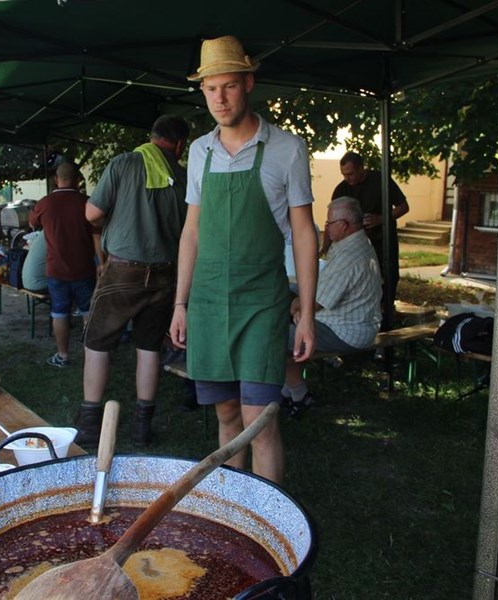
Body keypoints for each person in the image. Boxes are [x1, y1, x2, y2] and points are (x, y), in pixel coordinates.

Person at [169, 35, 319, 484]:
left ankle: (268, 517)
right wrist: (180, 303)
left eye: (229, 86)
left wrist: (306, 313)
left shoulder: (287, 148)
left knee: (260, 422)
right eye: (211, 88)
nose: (220, 98)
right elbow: (192, 231)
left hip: (261, 303)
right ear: (203, 90)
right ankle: (234, 512)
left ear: (249, 83)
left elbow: (304, 232)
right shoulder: (200, 150)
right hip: (209, 302)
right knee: (227, 415)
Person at [76, 114, 190, 448]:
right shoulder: (183, 177)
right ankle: (142, 428)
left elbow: (92, 214)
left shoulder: (124, 163)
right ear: (179, 145)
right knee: (149, 347)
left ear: (152, 137)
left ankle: (89, 425)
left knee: (97, 343)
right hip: (166, 273)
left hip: (123, 271)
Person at [283, 197, 382, 416]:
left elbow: (314, 302)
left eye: (329, 223)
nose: (326, 227)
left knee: (275, 335)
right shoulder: (355, 243)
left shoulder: (349, 255)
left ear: (344, 225)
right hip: (354, 323)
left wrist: (297, 309)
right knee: (288, 301)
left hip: (347, 330)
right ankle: (287, 390)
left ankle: (298, 396)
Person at [28, 161, 102, 368]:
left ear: (56, 179)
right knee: (88, 312)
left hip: (56, 269)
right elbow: (97, 235)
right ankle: (91, 356)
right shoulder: (87, 203)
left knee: (59, 312)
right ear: (78, 180)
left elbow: (32, 223)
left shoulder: (45, 203)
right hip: (84, 268)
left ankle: (63, 355)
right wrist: (102, 263)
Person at [330, 151, 409, 308]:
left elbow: (403, 207)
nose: (347, 178)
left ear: (361, 168)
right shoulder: (341, 189)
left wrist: (380, 219)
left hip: (383, 240)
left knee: (388, 275)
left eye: (351, 174)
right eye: (344, 174)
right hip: (355, 245)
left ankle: (387, 311)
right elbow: (332, 220)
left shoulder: (381, 181)